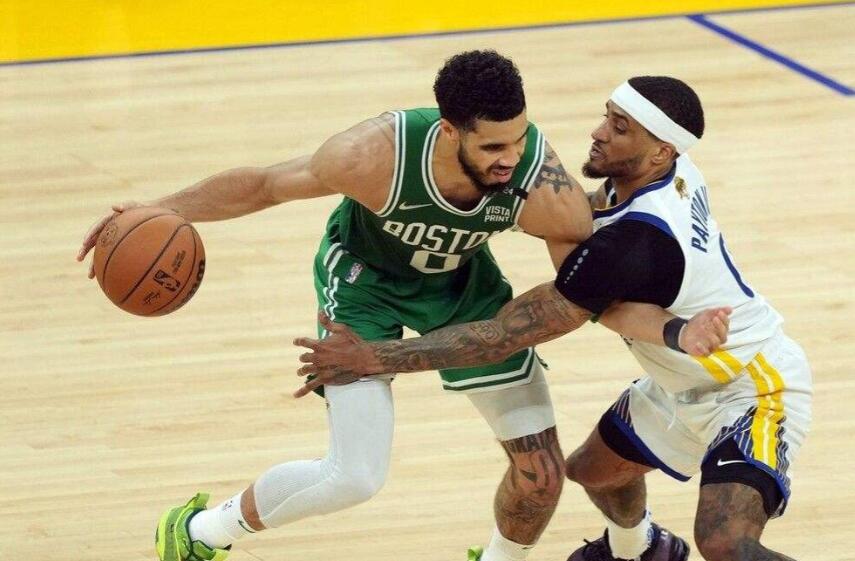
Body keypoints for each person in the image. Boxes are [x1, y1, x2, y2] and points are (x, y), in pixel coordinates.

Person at [79, 50, 598, 561]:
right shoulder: (371, 157)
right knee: (354, 477)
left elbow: (577, 296)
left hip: (462, 288)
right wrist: (161, 209)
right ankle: (200, 531)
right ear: (448, 131)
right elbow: (265, 186)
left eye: (520, 139)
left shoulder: (542, 188)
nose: (511, 158)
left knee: (542, 477)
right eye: (492, 146)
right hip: (363, 286)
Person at [294, 76, 812, 561]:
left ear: (660, 150)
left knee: (723, 542)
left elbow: (501, 336)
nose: (598, 132)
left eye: (619, 128)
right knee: (594, 471)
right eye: (607, 116)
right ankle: (641, 549)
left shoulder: (636, 243)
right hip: (679, 381)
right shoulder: (662, 172)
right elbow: (589, 241)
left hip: (752, 387)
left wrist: (374, 357)